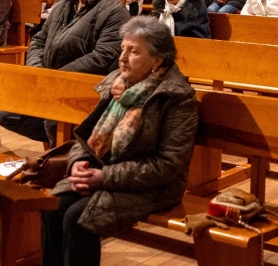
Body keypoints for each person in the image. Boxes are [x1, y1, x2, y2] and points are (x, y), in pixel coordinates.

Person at [42, 17, 198, 266]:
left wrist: (104, 176)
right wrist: (79, 162)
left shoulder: (176, 97)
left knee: (78, 217)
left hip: (155, 186)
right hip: (106, 172)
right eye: (123, 48)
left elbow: (168, 165)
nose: (122, 57)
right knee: (53, 205)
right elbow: (86, 136)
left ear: (157, 60)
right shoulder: (119, 84)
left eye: (133, 51)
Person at [0, 0, 131, 147]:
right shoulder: (63, 5)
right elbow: (39, 40)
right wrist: (38, 71)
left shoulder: (114, 12)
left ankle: (64, 152)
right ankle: (64, 148)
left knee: (54, 122)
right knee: (8, 116)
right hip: (51, 83)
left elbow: (102, 57)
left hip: (84, 88)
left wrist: (58, 78)